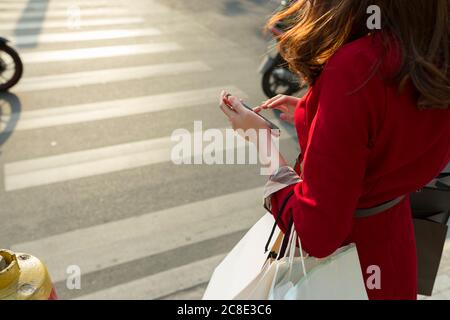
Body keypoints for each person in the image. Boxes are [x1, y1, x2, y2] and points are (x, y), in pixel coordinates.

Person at [219, 0, 450, 300]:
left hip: (343, 271)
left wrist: (262, 142)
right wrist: (315, 113)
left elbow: (316, 233)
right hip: (393, 254)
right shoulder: (430, 52)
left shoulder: (357, 67)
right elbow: (392, 126)